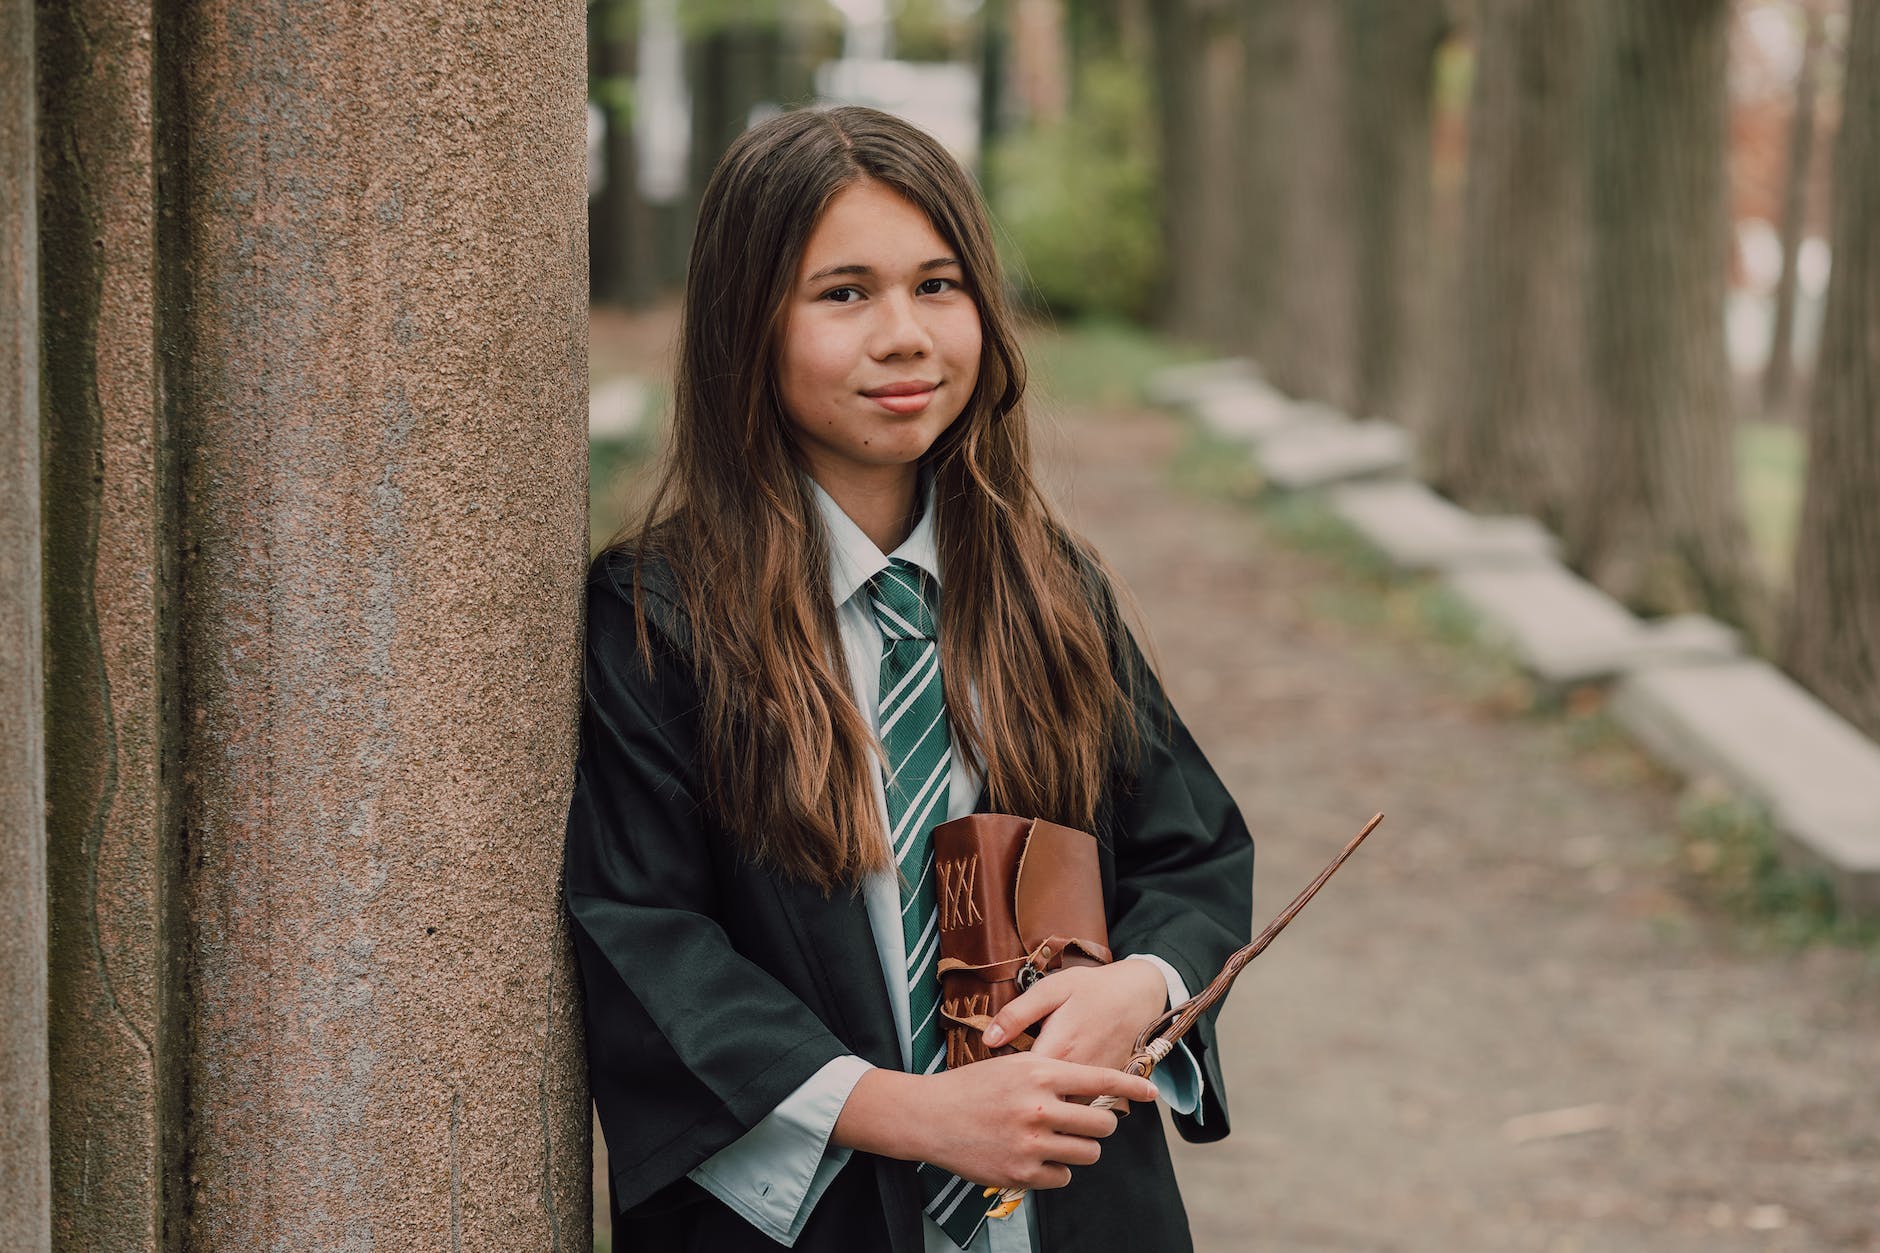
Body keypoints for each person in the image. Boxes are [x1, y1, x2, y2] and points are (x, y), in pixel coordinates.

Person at [564, 105, 1253, 1253]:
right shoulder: (663, 620)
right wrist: (919, 1113)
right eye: (843, 293)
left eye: (937, 286)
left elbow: (1189, 850)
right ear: (748, 327)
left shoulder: (1045, 594)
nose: (904, 336)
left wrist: (1140, 983)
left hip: (1067, 1209)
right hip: (818, 1207)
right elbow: (647, 936)